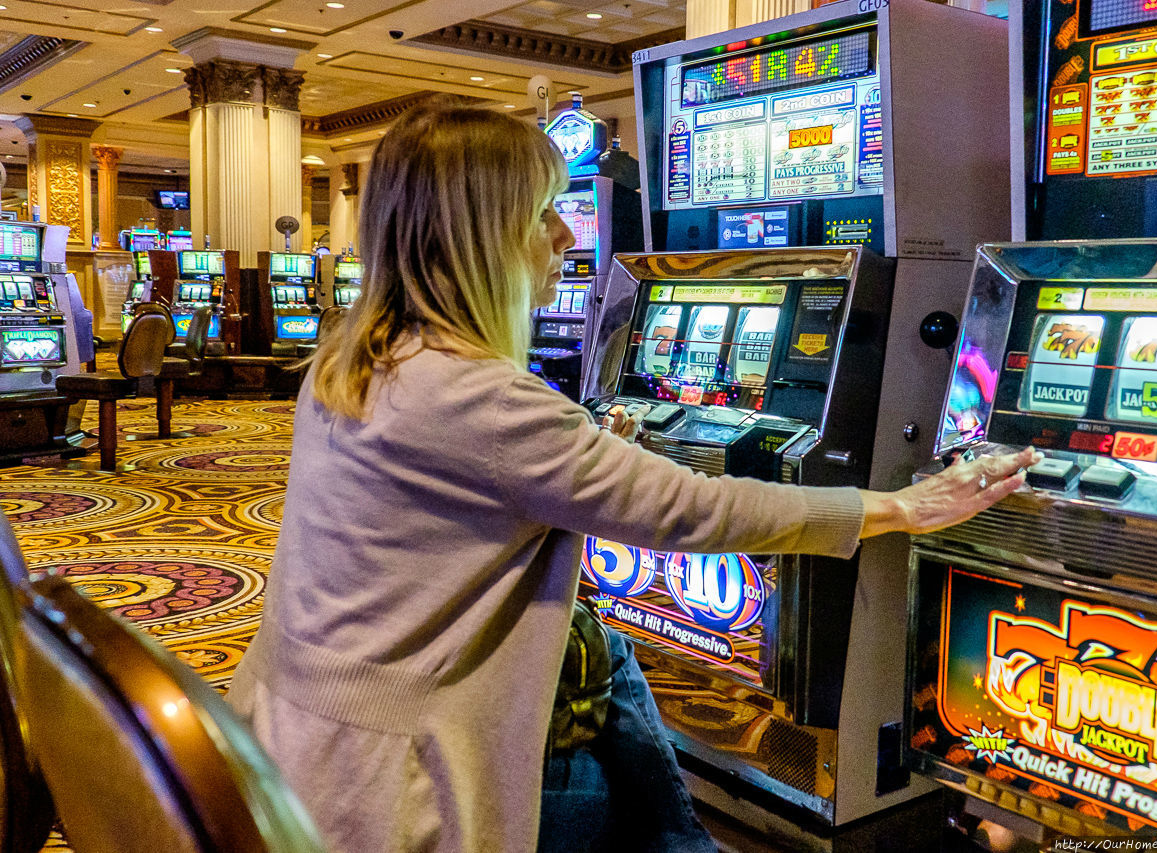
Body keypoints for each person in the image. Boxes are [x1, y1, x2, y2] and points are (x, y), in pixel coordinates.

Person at [225, 102, 1038, 853]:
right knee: (613, 724)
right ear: (483, 238)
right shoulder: (475, 397)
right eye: (542, 214)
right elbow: (698, 508)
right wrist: (899, 505)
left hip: (287, 731)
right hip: (389, 780)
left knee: (607, 661)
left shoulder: (355, 360)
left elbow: (466, 486)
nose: (565, 237)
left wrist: (581, 447)